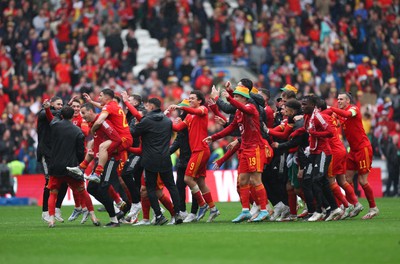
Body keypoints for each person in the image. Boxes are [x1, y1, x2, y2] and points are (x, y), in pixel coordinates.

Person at [204, 85, 269, 223]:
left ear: (245, 98)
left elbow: (242, 108)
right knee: (242, 181)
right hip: (245, 149)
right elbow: (230, 128)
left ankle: (264, 210)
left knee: (256, 180)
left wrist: (227, 97)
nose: (234, 98)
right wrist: (214, 137)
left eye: (237, 96)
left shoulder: (251, 108)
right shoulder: (239, 113)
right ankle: (245, 210)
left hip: (255, 148)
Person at [43, 102, 99, 228]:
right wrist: (80, 165)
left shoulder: (55, 126)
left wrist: (48, 108)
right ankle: (93, 217)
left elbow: (51, 119)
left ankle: (51, 219)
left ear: (62, 115)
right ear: (73, 116)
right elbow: (80, 152)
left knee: (53, 192)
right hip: (72, 166)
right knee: (82, 191)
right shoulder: (78, 131)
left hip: (56, 165)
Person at [131, 98, 184, 225]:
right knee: (172, 187)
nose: (146, 107)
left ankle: (159, 215)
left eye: (148, 105)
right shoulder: (167, 121)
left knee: (150, 188)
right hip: (165, 158)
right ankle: (177, 214)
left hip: (150, 160)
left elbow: (133, 133)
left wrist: (133, 124)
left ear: (152, 106)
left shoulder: (146, 121)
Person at [169, 91, 220, 222]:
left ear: (200, 101)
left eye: (192, 98)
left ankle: (202, 205)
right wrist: (165, 121)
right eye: (189, 98)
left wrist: (180, 107)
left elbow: (197, 112)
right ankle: (213, 209)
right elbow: (177, 128)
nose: (190, 100)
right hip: (197, 151)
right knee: (201, 182)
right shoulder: (189, 117)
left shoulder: (202, 109)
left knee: (187, 178)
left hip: (200, 150)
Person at [330, 92, 379, 219]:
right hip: (353, 150)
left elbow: (346, 114)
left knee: (363, 181)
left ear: (348, 101)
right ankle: (354, 205)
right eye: (338, 99)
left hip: (363, 149)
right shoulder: (342, 115)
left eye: (341, 99)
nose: (338, 101)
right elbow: (337, 120)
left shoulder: (353, 109)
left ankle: (373, 208)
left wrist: (331, 108)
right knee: (347, 179)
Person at [300, 95, 343, 222]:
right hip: (313, 152)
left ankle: (319, 211)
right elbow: (306, 130)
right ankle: (333, 208)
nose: (302, 107)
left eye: (305, 104)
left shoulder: (319, 116)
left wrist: (315, 134)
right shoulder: (307, 116)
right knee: (313, 180)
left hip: (323, 152)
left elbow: (330, 132)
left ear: (313, 106)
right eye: (302, 104)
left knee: (316, 180)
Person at [36, 96, 66, 223]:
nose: (60, 106)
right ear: (51, 104)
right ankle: (45, 211)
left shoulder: (59, 117)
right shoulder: (43, 113)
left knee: (64, 180)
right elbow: (49, 113)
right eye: (58, 104)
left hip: (56, 153)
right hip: (45, 152)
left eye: (62, 104)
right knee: (49, 181)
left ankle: (57, 209)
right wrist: (64, 109)